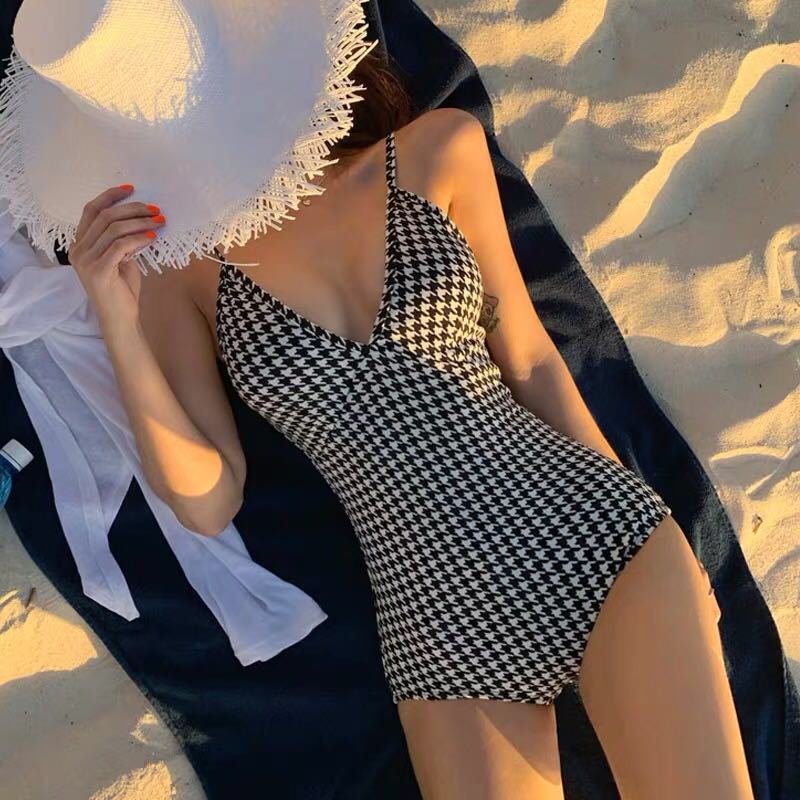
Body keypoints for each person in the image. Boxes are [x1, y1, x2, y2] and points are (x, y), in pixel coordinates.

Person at [60, 46, 756, 798]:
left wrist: (645, 520)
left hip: (586, 526)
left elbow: (530, 359)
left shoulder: (435, 149)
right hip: (436, 614)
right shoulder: (182, 275)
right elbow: (209, 500)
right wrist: (115, 318)